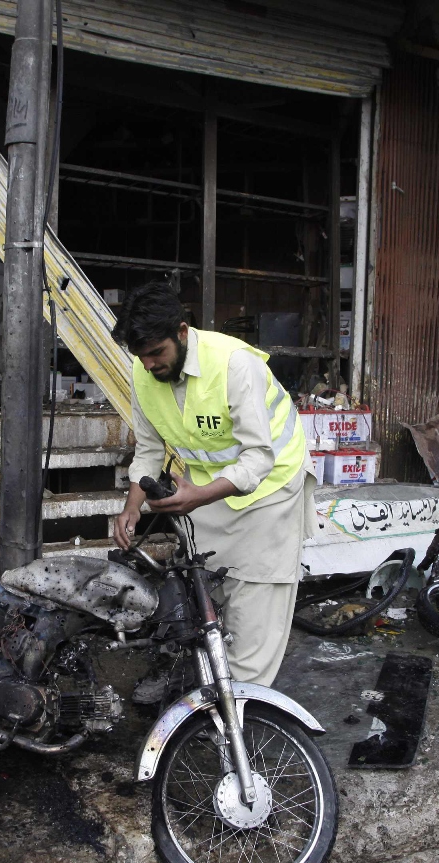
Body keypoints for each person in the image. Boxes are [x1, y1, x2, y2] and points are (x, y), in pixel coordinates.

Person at [111, 282, 313, 693]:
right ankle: (215, 694)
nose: (149, 365)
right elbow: (149, 449)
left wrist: (198, 496)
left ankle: (242, 716)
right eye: (141, 356)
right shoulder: (143, 371)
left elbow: (259, 458)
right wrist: (132, 506)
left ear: (182, 332)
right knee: (210, 600)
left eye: (156, 353)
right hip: (207, 491)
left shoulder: (235, 365)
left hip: (270, 488)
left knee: (255, 606)